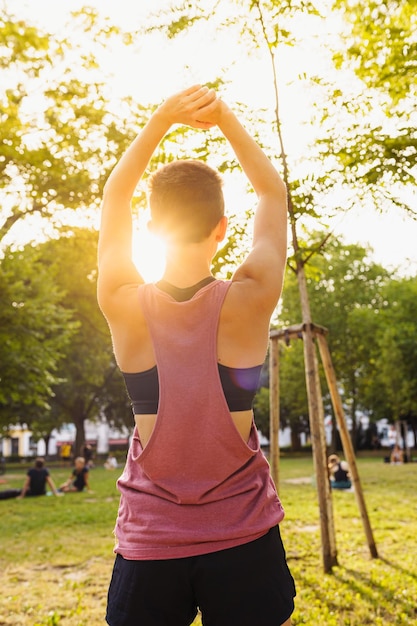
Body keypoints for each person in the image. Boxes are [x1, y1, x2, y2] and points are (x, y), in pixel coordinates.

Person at [98, 84, 295, 626]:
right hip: (245, 541)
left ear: (153, 229)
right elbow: (272, 194)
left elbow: (116, 196)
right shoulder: (252, 298)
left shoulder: (122, 304)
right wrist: (225, 118)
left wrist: (162, 117)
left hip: (150, 545)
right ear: (221, 231)